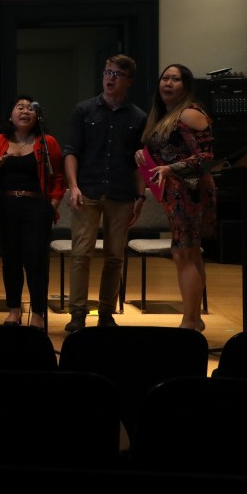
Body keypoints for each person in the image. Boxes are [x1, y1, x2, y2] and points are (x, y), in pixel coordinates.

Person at [62, 54, 147, 332]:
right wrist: (73, 186)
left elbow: (140, 162)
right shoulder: (84, 110)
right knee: (81, 253)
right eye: (107, 72)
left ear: (128, 81)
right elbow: (71, 152)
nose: (110, 78)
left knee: (114, 256)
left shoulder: (138, 117)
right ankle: (77, 313)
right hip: (87, 189)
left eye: (117, 74)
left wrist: (141, 196)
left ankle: (107, 313)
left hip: (121, 193)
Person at [136, 63, 216, 331]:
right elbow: (169, 151)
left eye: (175, 79)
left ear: (186, 86)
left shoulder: (190, 113)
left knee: (185, 254)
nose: (168, 83)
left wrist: (170, 168)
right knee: (187, 254)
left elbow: (206, 157)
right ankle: (194, 319)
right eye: (165, 78)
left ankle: (190, 320)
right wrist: (144, 157)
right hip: (175, 192)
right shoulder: (163, 115)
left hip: (191, 190)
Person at [0, 95, 66, 330]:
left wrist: (52, 207)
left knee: (36, 261)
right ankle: (14, 310)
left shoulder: (47, 142)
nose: (25, 111)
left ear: (37, 116)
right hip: (5, 208)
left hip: (36, 208)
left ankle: (38, 313)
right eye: (20, 107)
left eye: (30, 108)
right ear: (11, 115)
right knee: (11, 261)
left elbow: (58, 177)